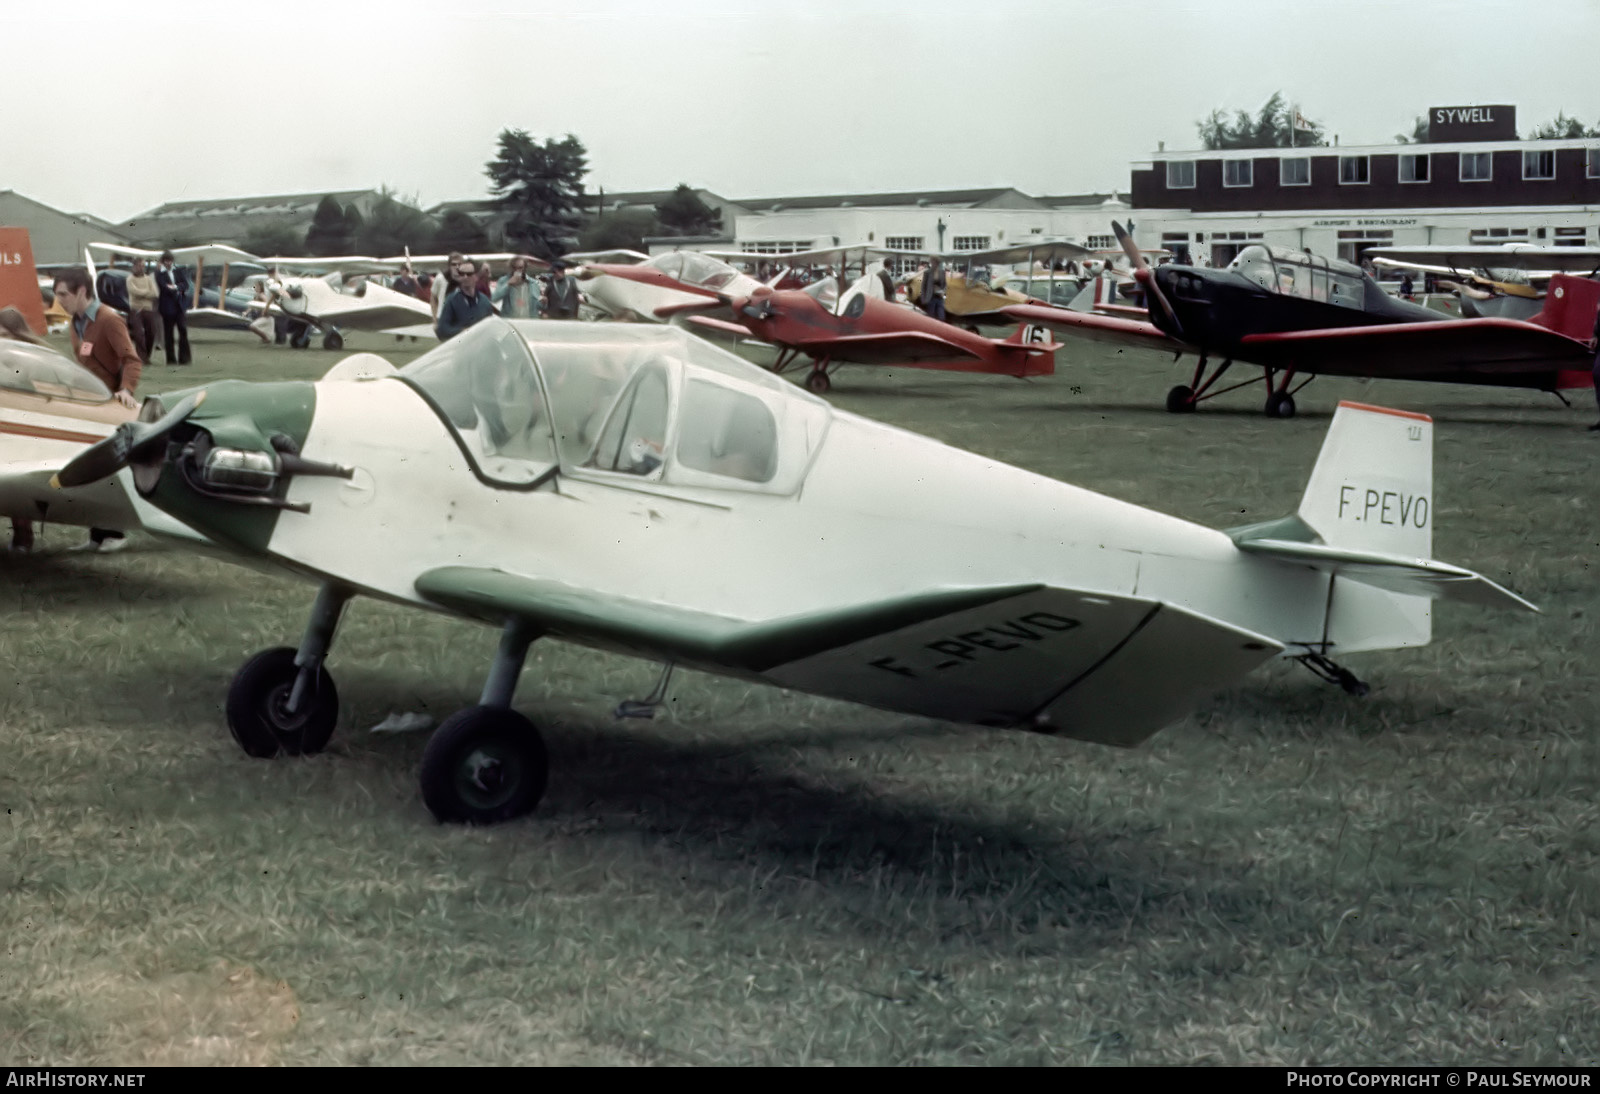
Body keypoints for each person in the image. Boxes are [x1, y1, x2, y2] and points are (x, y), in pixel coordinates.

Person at [53, 267, 141, 551]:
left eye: (63, 294)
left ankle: (116, 533)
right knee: (87, 466)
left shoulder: (108, 319)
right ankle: (96, 535)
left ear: (82, 291)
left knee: (106, 467)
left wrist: (126, 390)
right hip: (89, 404)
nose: (59, 301)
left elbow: (131, 359)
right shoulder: (75, 322)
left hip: (109, 408)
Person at [0, 307, 50, 551]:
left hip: (26, 429)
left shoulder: (28, 362)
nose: (2, 341)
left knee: (16, 486)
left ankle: (23, 535)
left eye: (6, 336)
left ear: (17, 335)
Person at [435, 258, 492, 340]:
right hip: (461, 346)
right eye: (462, 274)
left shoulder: (485, 301)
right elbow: (442, 329)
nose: (465, 277)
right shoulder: (451, 300)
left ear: (476, 277)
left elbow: (490, 326)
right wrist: (462, 331)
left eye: (469, 274)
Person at [154, 250, 191, 365]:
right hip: (167, 308)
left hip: (179, 306)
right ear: (163, 262)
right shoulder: (159, 274)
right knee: (168, 334)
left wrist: (175, 286)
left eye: (170, 261)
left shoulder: (178, 271)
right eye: (166, 261)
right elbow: (164, 288)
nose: (168, 263)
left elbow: (186, 284)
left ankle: (184, 358)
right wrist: (176, 288)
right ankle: (171, 360)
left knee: (183, 330)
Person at [125, 257, 160, 363]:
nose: (142, 268)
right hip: (136, 309)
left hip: (148, 309)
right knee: (139, 334)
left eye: (143, 266)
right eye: (140, 266)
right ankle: (141, 357)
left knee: (151, 333)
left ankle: (146, 356)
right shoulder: (130, 279)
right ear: (134, 266)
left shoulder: (149, 279)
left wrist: (143, 293)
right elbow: (134, 292)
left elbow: (155, 293)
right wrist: (146, 293)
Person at [431, 252, 464, 327]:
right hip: (442, 318)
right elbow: (433, 298)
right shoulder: (440, 278)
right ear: (449, 266)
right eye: (454, 264)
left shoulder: (465, 279)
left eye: (459, 264)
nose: (457, 267)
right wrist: (434, 320)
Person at [919, 256, 947, 321]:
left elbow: (944, 284)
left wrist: (943, 294)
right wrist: (923, 299)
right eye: (932, 262)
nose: (933, 264)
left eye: (934, 262)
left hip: (940, 297)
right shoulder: (927, 272)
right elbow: (923, 286)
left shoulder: (942, 272)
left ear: (937, 263)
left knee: (941, 317)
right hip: (931, 297)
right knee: (931, 317)